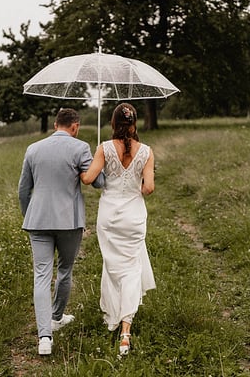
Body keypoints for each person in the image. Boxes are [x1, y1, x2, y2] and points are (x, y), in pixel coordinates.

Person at [18, 108, 104, 356]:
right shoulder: (81, 148)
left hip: (37, 221)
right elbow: (97, 182)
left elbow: (23, 190)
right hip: (69, 222)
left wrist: (30, 216)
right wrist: (98, 158)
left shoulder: (33, 149)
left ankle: (45, 337)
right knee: (65, 270)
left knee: (41, 275)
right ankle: (55, 317)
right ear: (75, 126)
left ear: (56, 125)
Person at [80, 103, 156, 356]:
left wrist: (85, 168)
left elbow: (89, 179)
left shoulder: (104, 148)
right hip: (133, 218)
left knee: (113, 267)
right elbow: (148, 189)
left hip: (109, 218)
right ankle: (126, 330)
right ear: (135, 124)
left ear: (113, 124)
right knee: (132, 268)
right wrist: (144, 177)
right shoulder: (146, 151)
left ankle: (113, 314)